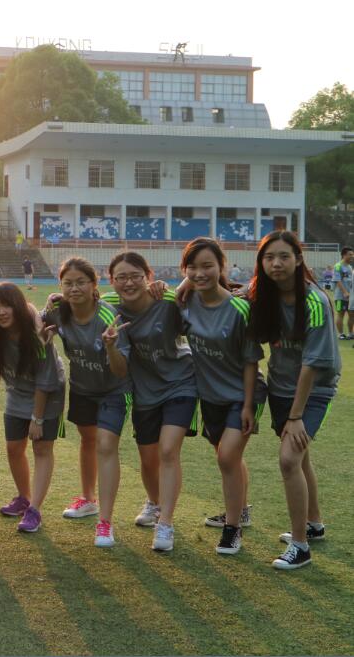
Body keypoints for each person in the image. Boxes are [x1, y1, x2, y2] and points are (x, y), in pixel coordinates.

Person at [249, 231, 339, 569]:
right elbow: (224, 292)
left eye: (284, 256)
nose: (276, 263)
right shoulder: (262, 294)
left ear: (299, 259)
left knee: (288, 460)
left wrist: (296, 415)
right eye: (269, 257)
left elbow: (312, 364)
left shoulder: (315, 301)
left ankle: (300, 546)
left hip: (313, 391)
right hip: (281, 387)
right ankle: (313, 524)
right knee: (300, 459)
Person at [102, 252, 198, 553]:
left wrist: (180, 283)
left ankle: (165, 523)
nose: (129, 283)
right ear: (111, 281)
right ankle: (155, 502)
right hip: (144, 392)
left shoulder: (166, 301)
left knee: (168, 450)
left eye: (135, 276)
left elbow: (200, 297)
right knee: (148, 458)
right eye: (121, 277)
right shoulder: (111, 307)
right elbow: (78, 299)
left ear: (148, 276)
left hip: (181, 384)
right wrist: (53, 299)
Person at [176, 237, 264, 555]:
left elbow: (251, 361)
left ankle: (232, 528)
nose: (200, 273)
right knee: (229, 458)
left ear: (221, 267)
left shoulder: (239, 307)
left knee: (227, 457)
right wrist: (183, 282)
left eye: (207, 266)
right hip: (210, 396)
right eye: (193, 267)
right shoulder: (185, 302)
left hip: (244, 394)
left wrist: (249, 405)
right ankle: (241, 510)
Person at [44, 258, 131, 547]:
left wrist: (111, 347)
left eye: (81, 282)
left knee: (106, 446)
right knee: (87, 440)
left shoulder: (108, 316)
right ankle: (88, 499)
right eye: (68, 283)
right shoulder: (58, 311)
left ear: (94, 285)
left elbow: (121, 370)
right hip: (82, 388)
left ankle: (105, 522)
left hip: (113, 390)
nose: (74, 288)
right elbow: (38, 326)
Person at [0, 282, 65, 534]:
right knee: (13, 447)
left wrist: (37, 419)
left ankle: (34, 509)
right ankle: (23, 497)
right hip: (17, 391)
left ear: (18, 306)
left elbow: (45, 380)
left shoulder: (37, 334)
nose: (1, 312)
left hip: (47, 393)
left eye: (7, 305)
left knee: (41, 448)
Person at [333, 247, 353, 338]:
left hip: (351, 296)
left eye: (352, 255)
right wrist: (345, 292)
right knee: (340, 313)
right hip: (340, 296)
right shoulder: (338, 266)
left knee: (352, 314)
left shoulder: (349, 267)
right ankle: (341, 334)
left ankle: (350, 333)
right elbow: (337, 280)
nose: (352, 256)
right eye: (350, 254)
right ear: (344, 255)